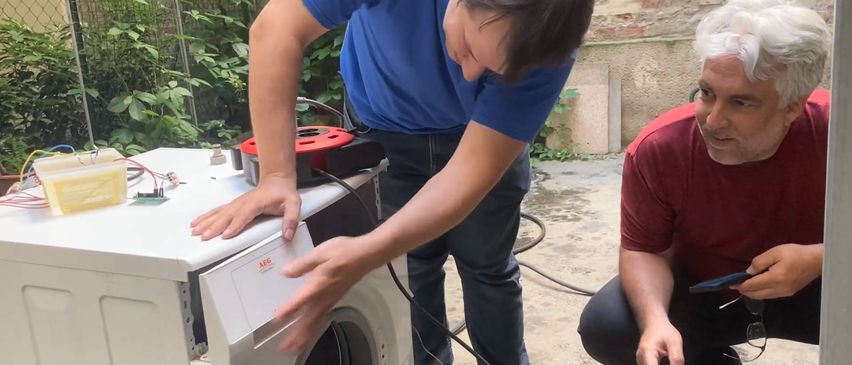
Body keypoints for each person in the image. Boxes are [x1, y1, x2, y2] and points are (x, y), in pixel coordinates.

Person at [189, 0, 594, 364]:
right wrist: (277, 175)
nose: (469, 76)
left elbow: (470, 171)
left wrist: (367, 252)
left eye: (493, 72)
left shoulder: (552, 27)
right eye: (471, 50)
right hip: (384, 131)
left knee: (488, 268)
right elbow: (277, 27)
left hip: (484, 138)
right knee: (410, 270)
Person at [576, 1, 833, 364]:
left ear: (792, 106)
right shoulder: (661, 148)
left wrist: (824, 257)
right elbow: (645, 250)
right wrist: (655, 322)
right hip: (711, 293)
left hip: (825, 287)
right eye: (707, 93)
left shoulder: (838, 133)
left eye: (741, 103)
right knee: (610, 327)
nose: (713, 121)